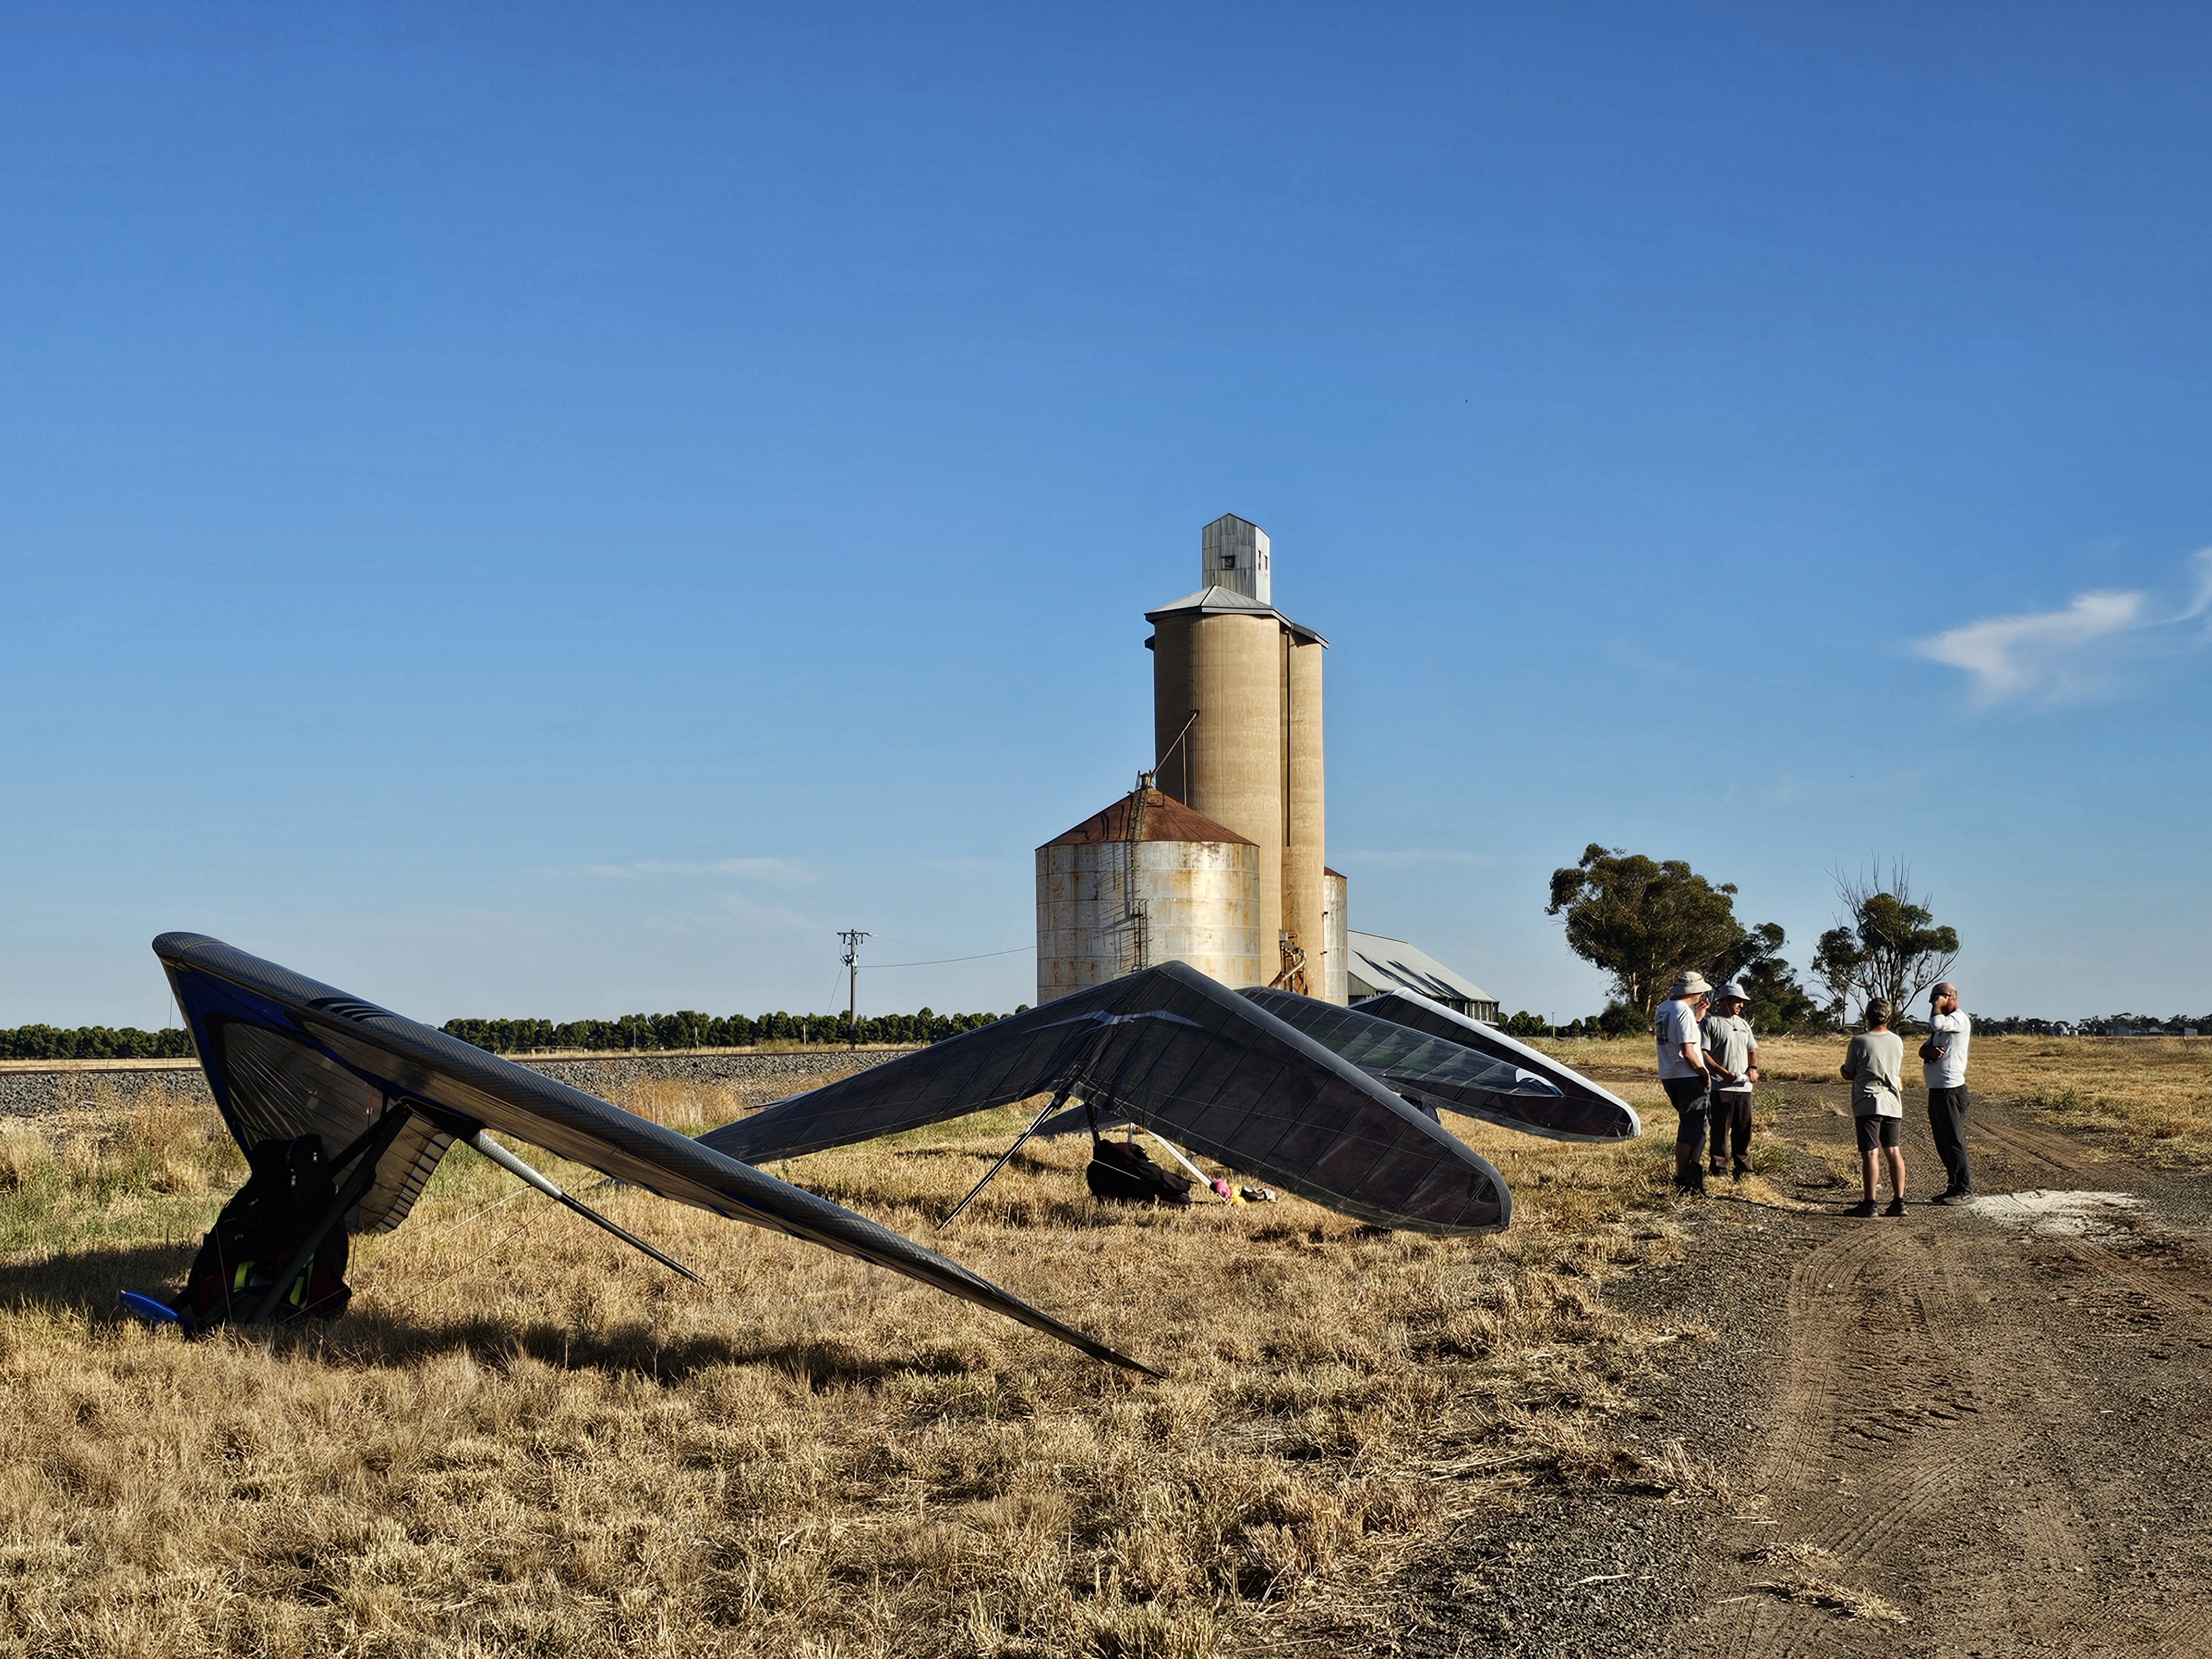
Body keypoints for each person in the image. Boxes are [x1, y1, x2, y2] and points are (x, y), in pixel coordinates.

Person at [1839, 998, 1908, 1217]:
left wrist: (1844, 1071)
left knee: (1870, 1153)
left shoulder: (1859, 1041)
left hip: (1868, 1102)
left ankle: (1870, 1204)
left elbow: (1849, 1072)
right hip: (1893, 1102)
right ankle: (1899, 1202)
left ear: (1867, 1017)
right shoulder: (1897, 1041)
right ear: (1889, 1018)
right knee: (1893, 1150)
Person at [1653, 970, 1717, 1194]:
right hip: (1688, 1076)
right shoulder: (1683, 1012)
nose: (1702, 996)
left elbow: (1673, 1038)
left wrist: (1696, 1019)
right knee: (1692, 1127)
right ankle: (1684, 1177)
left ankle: (1691, 1172)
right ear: (1695, 991)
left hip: (1669, 1074)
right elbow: (1688, 1051)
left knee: (1697, 1124)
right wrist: (1703, 1072)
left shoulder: (1663, 1008)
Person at [1921, 981, 1974, 1204]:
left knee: (1953, 1141)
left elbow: (1936, 1023)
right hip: (1937, 1089)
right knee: (1942, 1141)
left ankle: (1965, 1190)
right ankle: (1953, 1187)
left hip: (1951, 1090)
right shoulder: (1944, 1024)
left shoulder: (1958, 1019)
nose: (1933, 1003)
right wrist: (1928, 1051)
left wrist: (1938, 1005)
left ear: (1949, 997)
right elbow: (1923, 1049)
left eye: (1936, 998)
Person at [1702, 978, 1759, 1180]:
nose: (1741, 1005)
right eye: (1738, 1001)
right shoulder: (1711, 1023)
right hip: (1721, 1088)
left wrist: (1753, 1068)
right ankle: (1720, 1170)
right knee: (1720, 1130)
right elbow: (1703, 1053)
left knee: (1744, 1129)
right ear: (1726, 1000)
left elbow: (1752, 1050)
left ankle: (1744, 1169)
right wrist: (1722, 1073)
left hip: (1744, 1088)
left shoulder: (1744, 1024)